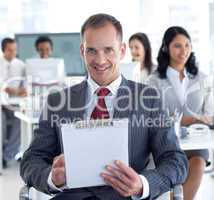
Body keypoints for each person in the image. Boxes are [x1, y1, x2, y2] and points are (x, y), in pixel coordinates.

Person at [20, 14, 188, 200]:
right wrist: (52, 178)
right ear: (82, 50)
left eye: (108, 50)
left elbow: (176, 160)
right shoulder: (57, 102)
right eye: (92, 50)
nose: (100, 60)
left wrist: (142, 184)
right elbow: (31, 160)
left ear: (122, 50)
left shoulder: (149, 99)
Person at [146, 26, 214, 200]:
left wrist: (197, 120)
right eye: (177, 45)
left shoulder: (203, 78)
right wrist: (190, 119)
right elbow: (153, 119)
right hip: (166, 141)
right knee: (171, 170)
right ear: (166, 48)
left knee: (198, 162)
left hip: (196, 142)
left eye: (187, 45)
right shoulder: (153, 81)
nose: (184, 50)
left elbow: (210, 114)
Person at [0, 37, 27, 168]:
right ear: (3, 50)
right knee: (1, 123)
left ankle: (6, 156)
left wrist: (21, 90)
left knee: (21, 121)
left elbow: (26, 87)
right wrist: (14, 90)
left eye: (15, 50)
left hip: (15, 104)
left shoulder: (21, 65)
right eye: (10, 50)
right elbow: (3, 87)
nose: (13, 53)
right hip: (1, 104)